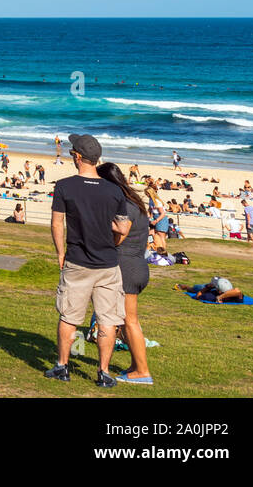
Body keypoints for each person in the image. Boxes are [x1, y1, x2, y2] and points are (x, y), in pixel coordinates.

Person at [45, 135, 132, 388]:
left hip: (78, 262)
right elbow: (123, 227)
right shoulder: (113, 190)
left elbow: (56, 223)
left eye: (73, 152)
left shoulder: (64, 186)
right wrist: (111, 243)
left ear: (77, 157)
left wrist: (60, 252)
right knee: (108, 319)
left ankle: (62, 366)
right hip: (108, 264)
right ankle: (103, 372)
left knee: (70, 316)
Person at [98, 161, 153, 385]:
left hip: (127, 267)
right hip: (135, 264)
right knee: (125, 321)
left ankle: (143, 371)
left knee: (130, 321)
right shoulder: (134, 202)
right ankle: (135, 366)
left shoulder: (125, 205)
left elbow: (120, 235)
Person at [175, 278, 245, 303]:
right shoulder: (234, 296)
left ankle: (186, 287)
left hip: (208, 288)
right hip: (216, 290)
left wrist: (207, 287)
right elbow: (237, 291)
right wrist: (221, 297)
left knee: (194, 289)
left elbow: (197, 296)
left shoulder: (210, 296)